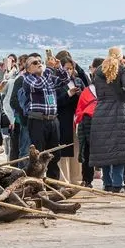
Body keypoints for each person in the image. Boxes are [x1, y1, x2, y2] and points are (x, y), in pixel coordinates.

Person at [90, 47, 125, 193]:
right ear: (120, 56)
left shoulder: (98, 70)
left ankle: (107, 183)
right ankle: (118, 184)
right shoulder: (122, 68)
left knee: (105, 149)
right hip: (119, 110)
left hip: (101, 110)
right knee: (120, 149)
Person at [21, 53, 70, 179]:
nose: (38, 64)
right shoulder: (27, 79)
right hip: (38, 121)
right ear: (28, 69)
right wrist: (48, 68)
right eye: (34, 63)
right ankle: (36, 183)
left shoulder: (48, 77)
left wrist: (59, 68)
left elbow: (66, 80)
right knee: (39, 155)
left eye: (39, 62)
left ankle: (53, 183)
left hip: (53, 120)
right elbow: (39, 85)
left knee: (54, 154)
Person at [55, 51, 89, 185]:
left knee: (77, 149)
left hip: (77, 119)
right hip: (63, 119)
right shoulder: (57, 82)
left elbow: (87, 97)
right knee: (64, 150)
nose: (68, 71)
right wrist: (68, 94)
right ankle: (64, 179)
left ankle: (77, 178)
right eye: (66, 68)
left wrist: (80, 94)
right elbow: (56, 101)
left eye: (70, 68)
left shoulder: (78, 80)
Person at [74, 57, 103, 187]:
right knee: (90, 151)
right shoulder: (89, 90)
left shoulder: (87, 90)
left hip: (92, 120)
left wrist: (77, 122)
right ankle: (88, 178)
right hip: (93, 121)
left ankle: (87, 179)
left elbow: (79, 111)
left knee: (88, 151)